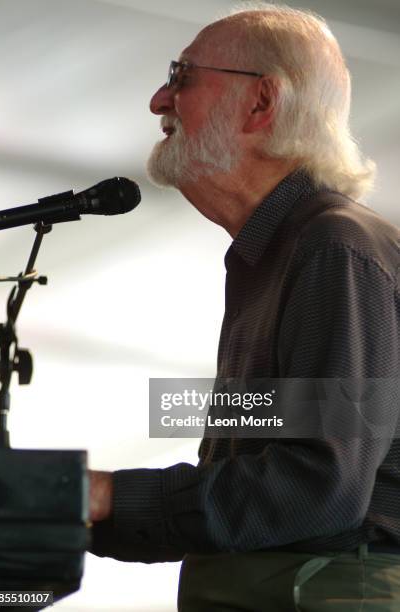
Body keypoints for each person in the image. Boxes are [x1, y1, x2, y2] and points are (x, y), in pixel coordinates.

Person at [89, 3, 400, 610]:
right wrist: (71, 509)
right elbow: (251, 485)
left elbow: (316, 488)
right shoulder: (278, 252)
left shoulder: (334, 248)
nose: (158, 99)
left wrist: (99, 498)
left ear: (261, 103)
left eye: (181, 76)